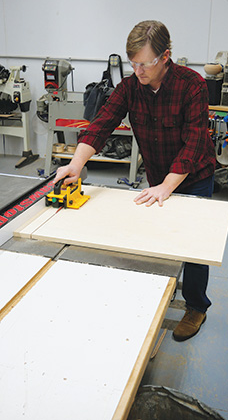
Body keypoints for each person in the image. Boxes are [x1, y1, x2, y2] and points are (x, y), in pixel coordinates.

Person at [54, 20, 216, 341]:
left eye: (144, 63)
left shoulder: (192, 86)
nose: (137, 71)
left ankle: (196, 306)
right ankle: (165, 289)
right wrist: (75, 164)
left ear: (165, 56)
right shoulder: (130, 87)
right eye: (133, 63)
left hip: (194, 176)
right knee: (161, 240)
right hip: (157, 175)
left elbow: (194, 142)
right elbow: (101, 124)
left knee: (193, 246)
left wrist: (167, 187)